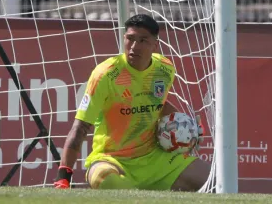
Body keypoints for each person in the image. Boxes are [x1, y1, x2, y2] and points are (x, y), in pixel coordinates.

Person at [54, 14, 209, 191]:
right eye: (130, 39)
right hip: (111, 160)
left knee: (213, 180)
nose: (135, 46)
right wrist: (63, 176)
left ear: (155, 45)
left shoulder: (164, 69)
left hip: (155, 159)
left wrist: (187, 125)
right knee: (105, 180)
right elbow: (80, 126)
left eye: (143, 40)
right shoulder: (106, 75)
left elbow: (157, 104)